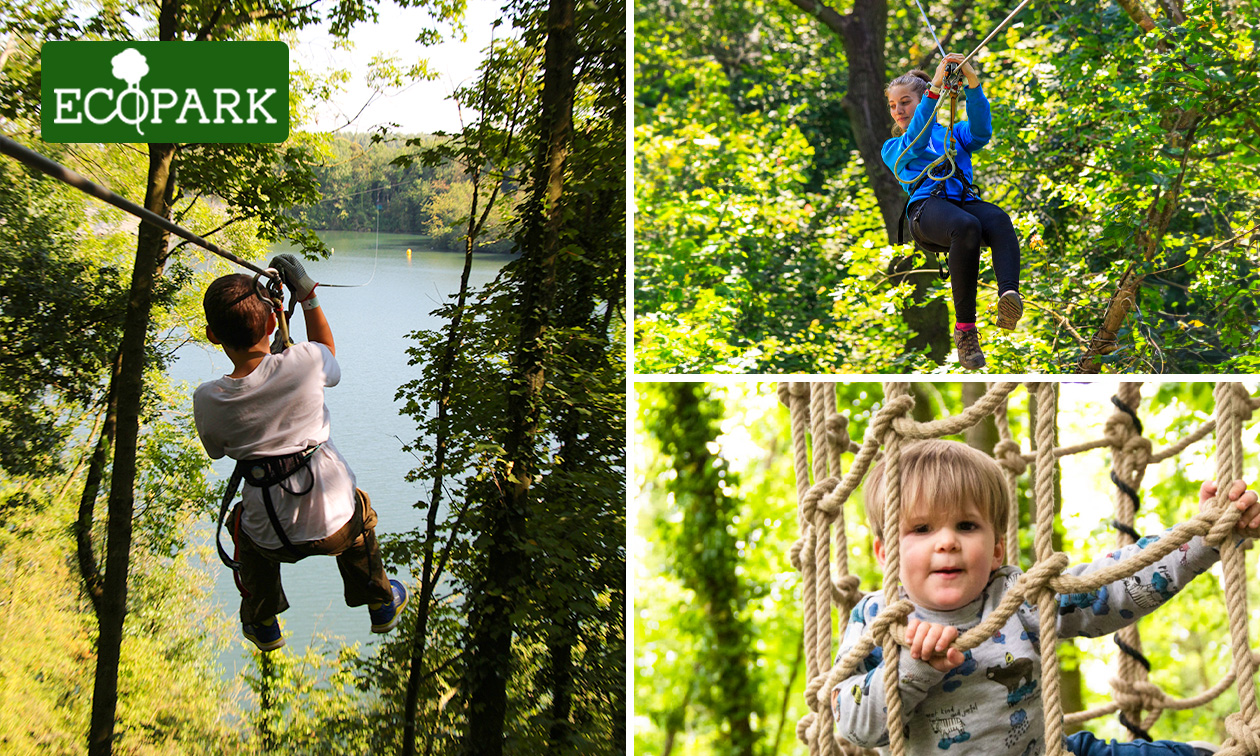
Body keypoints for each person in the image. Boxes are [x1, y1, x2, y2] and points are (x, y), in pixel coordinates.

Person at [832, 439, 1255, 755]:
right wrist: (912, 665)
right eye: (921, 529)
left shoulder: (1016, 599)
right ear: (885, 552)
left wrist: (1202, 538)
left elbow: (1108, 588)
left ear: (998, 547)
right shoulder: (878, 621)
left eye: (966, 526)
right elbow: (856, 728)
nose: (946, 542)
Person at [193, 255, 408, 652]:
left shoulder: (209, 399)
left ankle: (262, 621)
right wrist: (308, 297)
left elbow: (216, 452)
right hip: (336, 529)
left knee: (241, 523)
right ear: (274, 323)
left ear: (212, 335)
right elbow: (327, 351)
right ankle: (380, 602)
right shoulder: (305, 362)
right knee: (359, 513)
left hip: (269, 538)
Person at [883, 52, 1023, 371]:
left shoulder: (954, 135)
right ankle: (965, 332)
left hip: (961, 204)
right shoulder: (894, 147)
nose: (898, 110)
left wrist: (972, 83)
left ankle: (1009, 297)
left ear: (923, 102)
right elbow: (918, 141)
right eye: (893, 105)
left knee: (998, 218)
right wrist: (935, 87)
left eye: (905, 102)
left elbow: (981, 131)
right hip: (926, 211)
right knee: (966, 225)